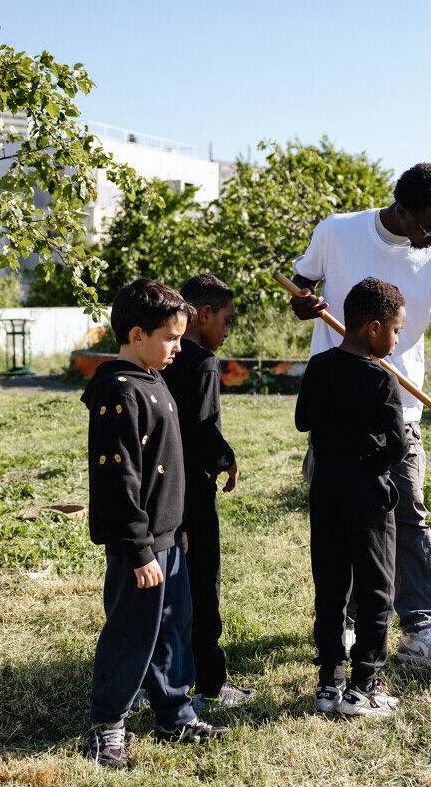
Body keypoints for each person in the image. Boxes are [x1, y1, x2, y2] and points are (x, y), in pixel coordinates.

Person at [290, 162, 431, 664]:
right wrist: (306, 304)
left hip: (399, 408)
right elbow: (300, 289)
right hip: (337, 407)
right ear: (401, 211)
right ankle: (339, 625)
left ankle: (418, 627)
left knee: (409, 512)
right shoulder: (338, 231)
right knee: (338, 522)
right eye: (429, 224)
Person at [82, 278, 227, 770]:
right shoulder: (118, 392)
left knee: (172, 627)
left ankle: (174, 713)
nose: (177, 347)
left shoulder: (153, 379)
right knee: (132, 631)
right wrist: (140, 548)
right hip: (138, 545)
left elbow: (169, 465)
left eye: (182, 337)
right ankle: (109, 725)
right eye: (170, 337)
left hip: (168, 536)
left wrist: (176, 526)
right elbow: (118, 479)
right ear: (137, 333)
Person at [296, 277, 408, 716]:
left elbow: (304, 420)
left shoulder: (319, 366)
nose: (397, 341)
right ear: (375, 328)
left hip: (325, 491)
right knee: (376, 588)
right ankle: (364, 685)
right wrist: (369, 451)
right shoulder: (382, 380)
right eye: (396, 331)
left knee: (331, 586)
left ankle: (329, 682)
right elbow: (397, 447)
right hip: (368, 497)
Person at [161, 273, 252, 711]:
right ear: (204, 314)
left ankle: (161, 677)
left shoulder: (164, 359)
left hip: (165, 491)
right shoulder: (201, 362)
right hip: (194, 494)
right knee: (203, 585)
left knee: (172, 591)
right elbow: (200, 429)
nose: (228, 330)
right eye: (226, 320)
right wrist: (227, 459)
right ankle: (210, 684)